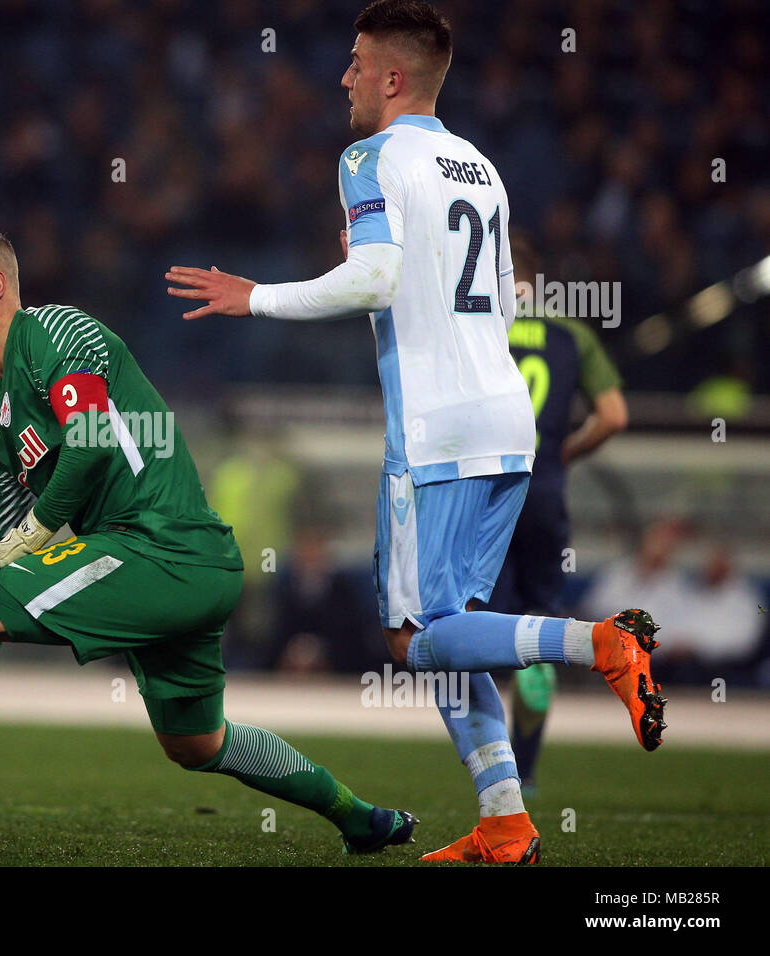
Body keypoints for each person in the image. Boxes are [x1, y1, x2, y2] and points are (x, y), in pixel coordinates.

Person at [165, 0, 665, 864]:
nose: (345, 76)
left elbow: (375, 276)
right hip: (509, 415)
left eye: (358, 62)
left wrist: (258, 297)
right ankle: (506, 822)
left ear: (395, 77)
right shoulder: (483, 168)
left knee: (416, 637)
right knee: (448, 625)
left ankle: (602, 642)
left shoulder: (366, 156)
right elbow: (507, 304)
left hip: (435, 431)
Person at [0, 225, 416, 856]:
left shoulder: (59, 333)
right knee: (197, 743)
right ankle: (359, 817)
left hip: (160, 546)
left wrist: (22, 549)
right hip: (168, 567)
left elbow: (93, 440)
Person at [488, 230, 629, 796]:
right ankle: (526, 771)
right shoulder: (571, 334)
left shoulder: (479, 323)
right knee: (541, 625)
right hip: (544, 489)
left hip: (488, 491)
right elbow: (615, 416)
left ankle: (490, 771)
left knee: (479, 626)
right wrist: (563, 453)